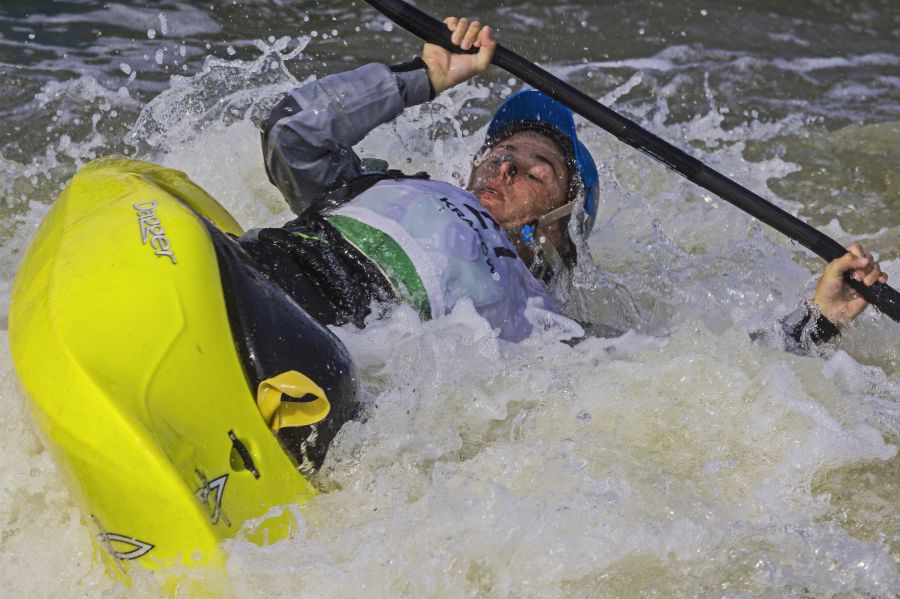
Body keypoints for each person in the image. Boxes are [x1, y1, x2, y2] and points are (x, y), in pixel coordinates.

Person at [240, 16, 887, 349]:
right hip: (257, 279)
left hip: (320, 353)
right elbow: (292, 132)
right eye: (497, 154)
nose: (505, 167)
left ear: (560, 223)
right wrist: (425, 74)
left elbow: (692, 378)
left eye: (535, 168)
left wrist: (821, 316)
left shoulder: (540, 323)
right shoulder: (379, 187)